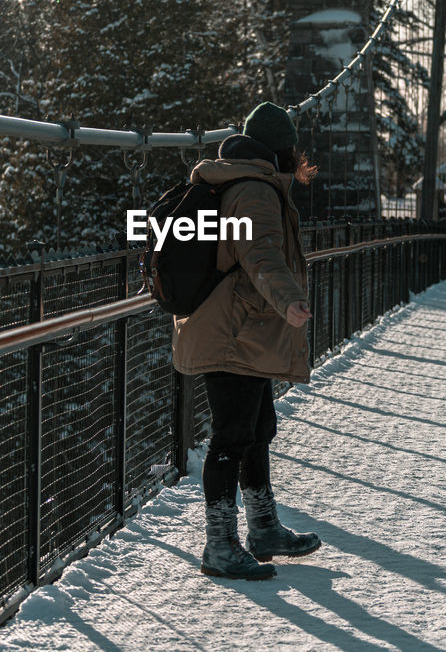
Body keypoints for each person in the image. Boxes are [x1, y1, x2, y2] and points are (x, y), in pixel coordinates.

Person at [172, 102, 322, 581]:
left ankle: (262, 530)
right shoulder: (254, 190)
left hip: (245, 329)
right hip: (234, 331)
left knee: (258, 431)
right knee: (231, 438)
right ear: (281, 149)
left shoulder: (245, 181)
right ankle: (220, 546)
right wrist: (289, 301)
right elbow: (260, 256)